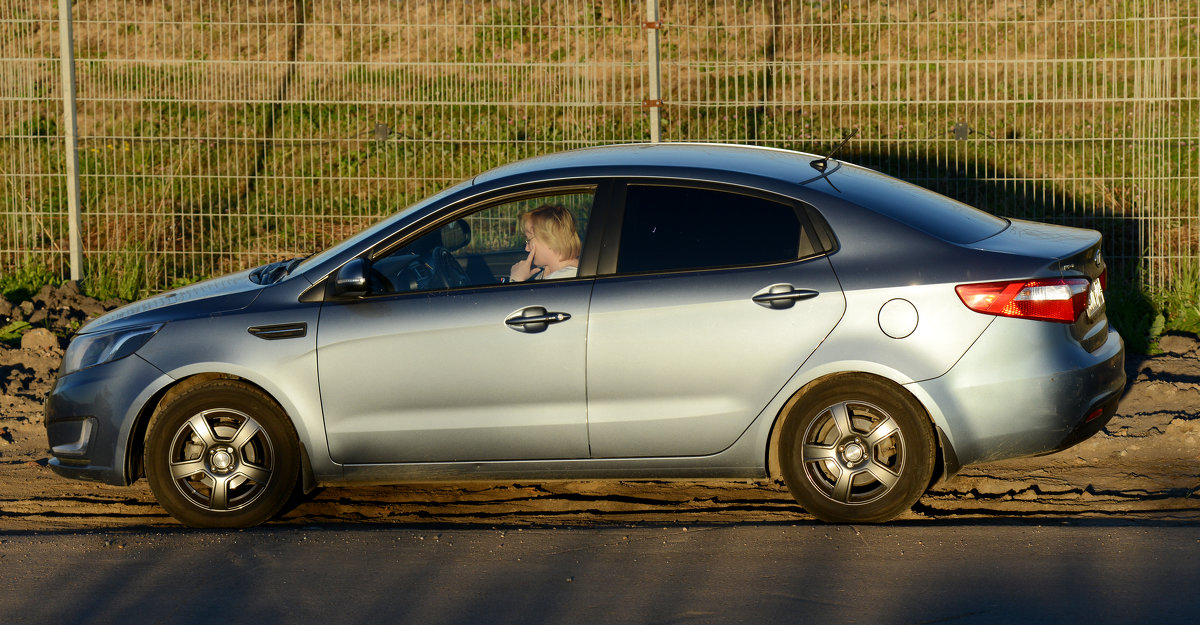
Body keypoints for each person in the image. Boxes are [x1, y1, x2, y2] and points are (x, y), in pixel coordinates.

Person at [509, 204, 580, 281]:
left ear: (549, 239)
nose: (527, 248)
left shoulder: (560, 279)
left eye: (529, 240)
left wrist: (515, 280)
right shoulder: (566, 274)